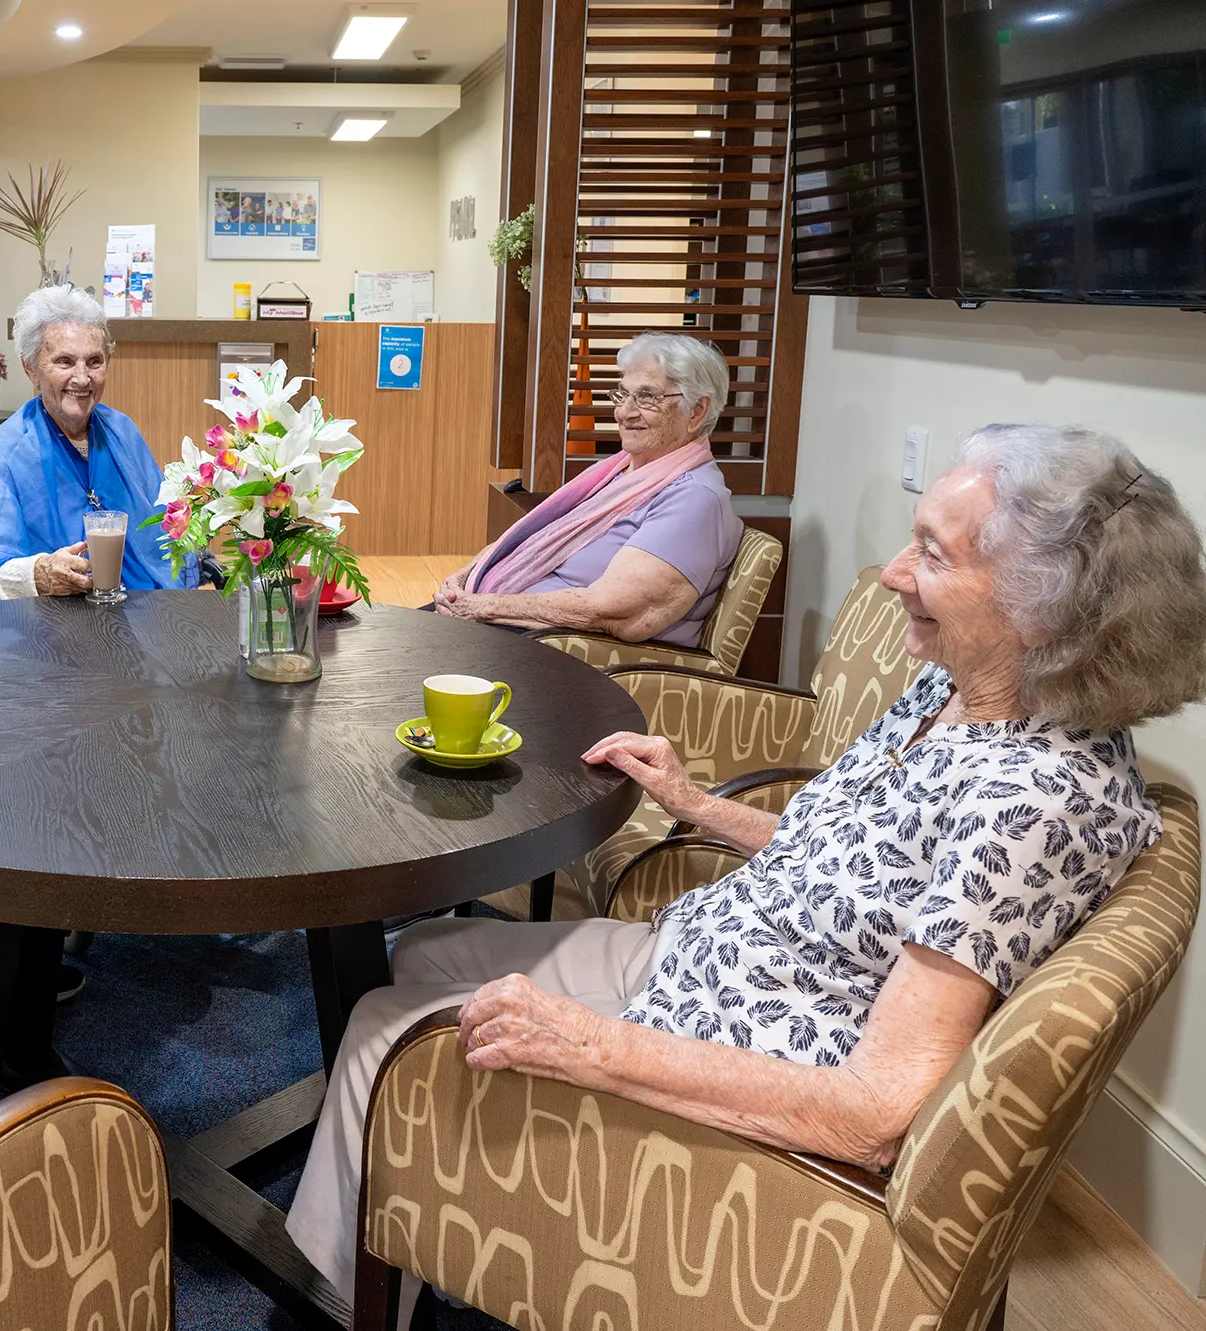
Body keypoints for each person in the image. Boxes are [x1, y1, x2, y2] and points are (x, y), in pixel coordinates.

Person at [287, 423, 1206, 1318]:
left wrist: (593, 1045)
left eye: (932, 553)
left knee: (382, 1031)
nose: (893, 572)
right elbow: (853, 867)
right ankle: (419, 1236)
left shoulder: (1031, 803)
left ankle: (342, 1292)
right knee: (426, 952)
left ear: (1044, 608)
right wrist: (697, 802)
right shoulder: (957, 686)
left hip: (737, 1055)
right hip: (713, 957)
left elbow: (876, 1110)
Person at [433, 332, 743, 645]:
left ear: (696, 412)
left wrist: (482, 607)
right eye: (624, 395)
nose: (624, 412)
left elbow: (618, 612)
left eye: (647, 397)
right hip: (503, 620)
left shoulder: (694, 499)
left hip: (559, 650)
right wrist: (462, 579)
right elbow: (525, 542)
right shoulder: (616, 473)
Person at [0, 285, 198, 602]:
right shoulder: (1, 451)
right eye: (65, 362)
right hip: (53, 619)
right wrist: (39, 573)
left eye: (94, 361)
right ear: (30, 368)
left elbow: (171, 527)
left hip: (149, 610)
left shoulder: (123, 431)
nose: (82, 379)